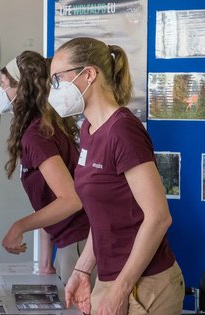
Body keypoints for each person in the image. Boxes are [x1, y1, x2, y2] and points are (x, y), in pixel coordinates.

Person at [49, 37, 184, 315]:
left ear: (88, 74)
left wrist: (121, 289)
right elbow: (102, 217)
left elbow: (159, 217)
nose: (53, 90)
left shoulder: (122, 131)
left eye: (57, 79)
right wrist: (82, 270)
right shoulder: (88, 130)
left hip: (144, 285)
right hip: (111, 278)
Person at [0, 51, 90, 283]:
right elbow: (47, 201)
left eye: (4, 85)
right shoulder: (44, 126)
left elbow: (70, 199)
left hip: (79, 244)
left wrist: (19, 227)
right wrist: (46, 264)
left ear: (22, 90)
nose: (0, 92)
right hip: (68, 244)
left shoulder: (37, 136)